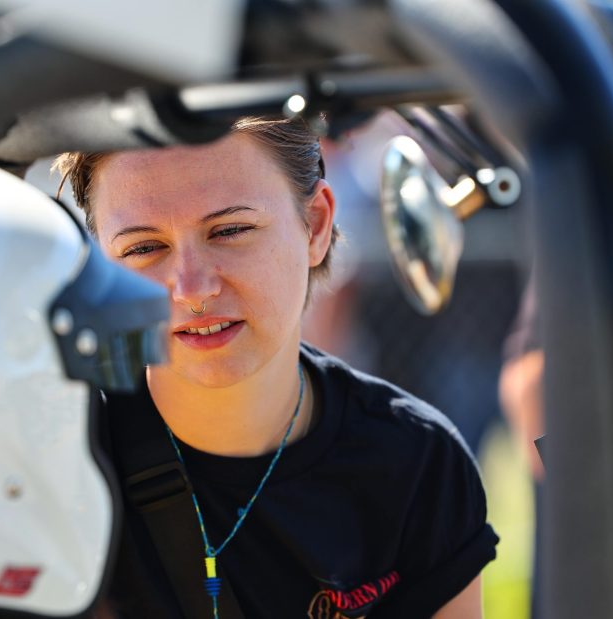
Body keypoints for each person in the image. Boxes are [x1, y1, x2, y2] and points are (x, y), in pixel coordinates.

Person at [55, 116, 498, 618]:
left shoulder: (416, 463)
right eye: (144, 247)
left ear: (316, 225)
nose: (192, 288)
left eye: (230, 230)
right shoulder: (45, 458)